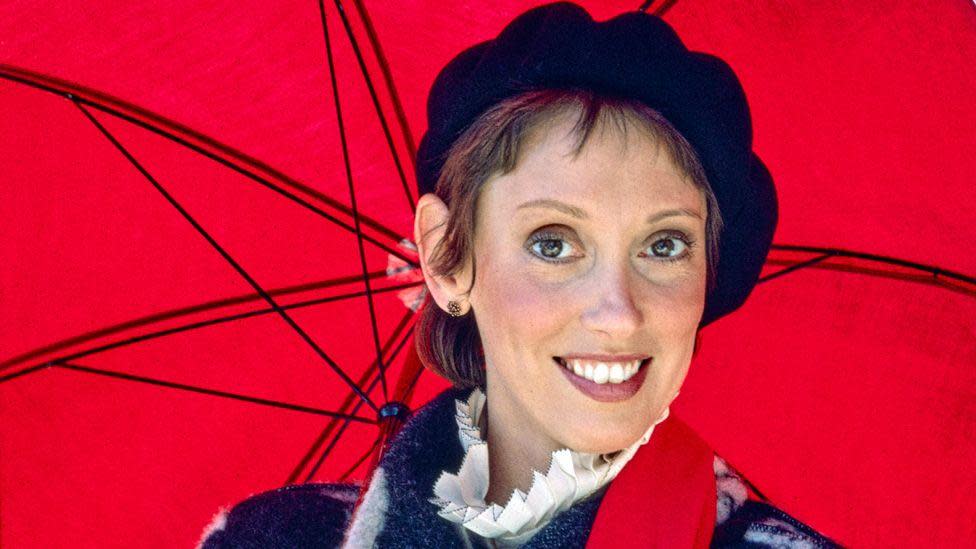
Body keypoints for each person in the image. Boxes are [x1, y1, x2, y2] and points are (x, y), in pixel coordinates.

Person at [199, 3, 840, 547]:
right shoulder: (277, 537)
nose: (618, 312)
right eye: (553, 244)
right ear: (447, 260)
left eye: (665, 245)